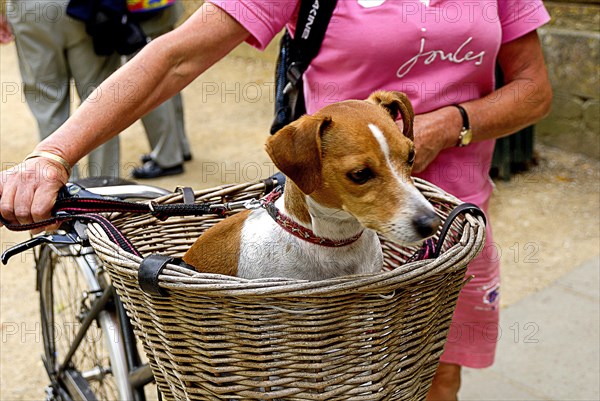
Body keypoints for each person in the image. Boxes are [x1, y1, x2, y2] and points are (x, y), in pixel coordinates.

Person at [0, 1, 552, 398]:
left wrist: (448, 125)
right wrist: (52, 154)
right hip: (326, 216)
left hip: (456, 221)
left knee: (434, 377)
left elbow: (535, 88)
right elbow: (175, 58)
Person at [1, 0, 122, 178]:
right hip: (81, 8)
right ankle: (104, 185)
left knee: (48, 104)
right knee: (98, 97)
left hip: (31, 10)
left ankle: (62, 188)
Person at [128, 2, 192, 179]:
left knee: (148, 79)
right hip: (163, 7)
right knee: (168, 70)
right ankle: (178, 146)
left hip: (141, 13)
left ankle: (167, 157)